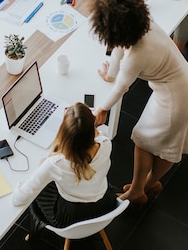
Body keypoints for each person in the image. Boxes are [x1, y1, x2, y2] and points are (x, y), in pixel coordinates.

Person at [90, 0, 188, 205]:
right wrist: (111, 73)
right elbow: (120, 47)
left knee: (144, 140)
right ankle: (149, 184)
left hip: (175, 100)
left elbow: (122, 87)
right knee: (166, 142)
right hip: (185, 85)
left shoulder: (136, 57)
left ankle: (139, 191)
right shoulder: (144, 25)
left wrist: (102, 109)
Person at [12, 102, 117, 241]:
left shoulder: (56, 164)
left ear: (64, 133)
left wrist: (41, 168)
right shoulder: (106, 143)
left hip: (69, 218)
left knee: (38, 192)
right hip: (104, 204)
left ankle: (34, 233)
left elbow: (19, 199)